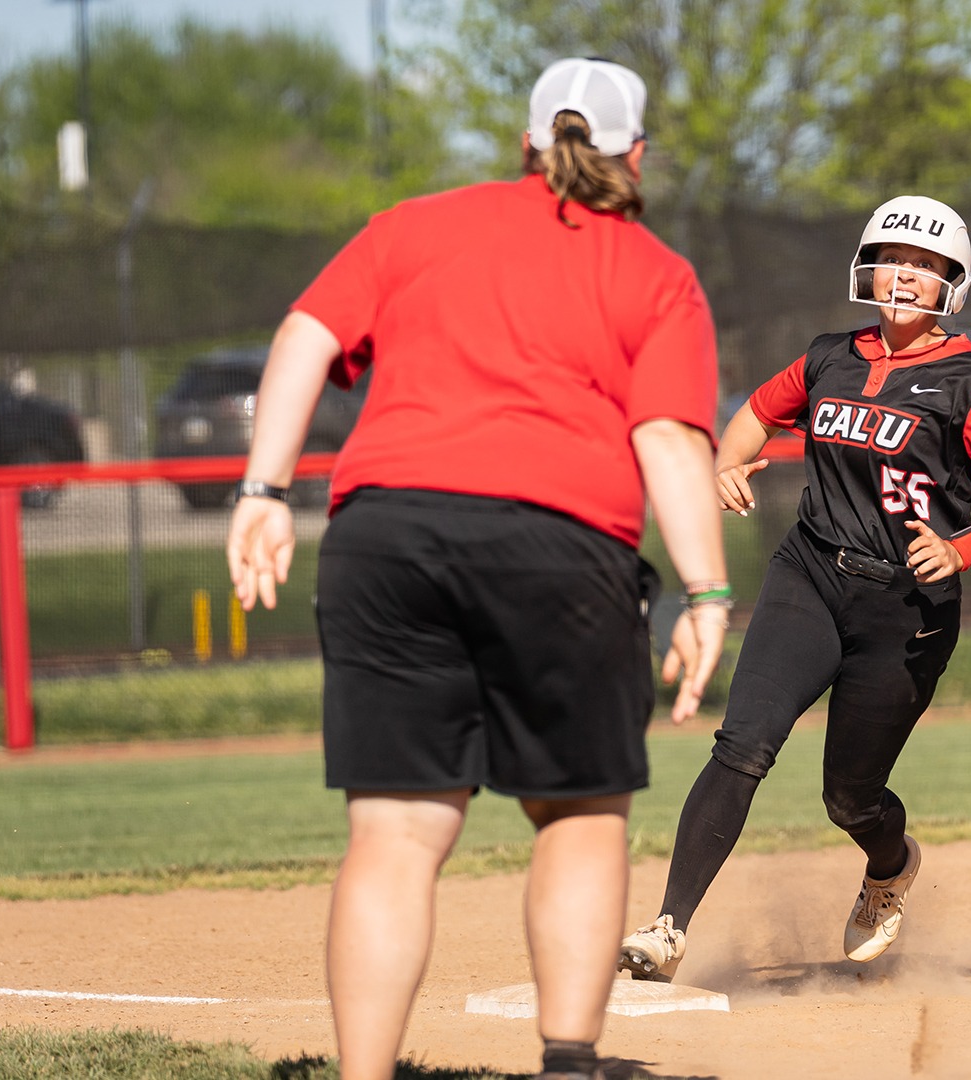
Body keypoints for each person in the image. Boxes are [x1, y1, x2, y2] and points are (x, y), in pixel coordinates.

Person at [225, 58, 728, 1080]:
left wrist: (262, 491)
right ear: (638, 156)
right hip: (561, 544)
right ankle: (570, 1061)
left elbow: (302, 333)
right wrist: (708, 590)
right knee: (580, 811)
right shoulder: (655, 271)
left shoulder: (415, 224)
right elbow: (672, 442)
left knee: (397, 831)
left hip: (386, 535)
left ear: (526, 141)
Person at [618, 194, 971, 983]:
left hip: (905, 610)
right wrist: (727, 464)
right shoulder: (828, 356)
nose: (906, 276)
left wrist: (961, 550)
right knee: (742, 745)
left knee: (849, 796)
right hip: (809, 575)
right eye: (893, 258)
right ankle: (668, 927)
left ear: (953, 281)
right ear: (868, 267)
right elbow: (751, 416)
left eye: (926, 265)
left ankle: (891, 866)